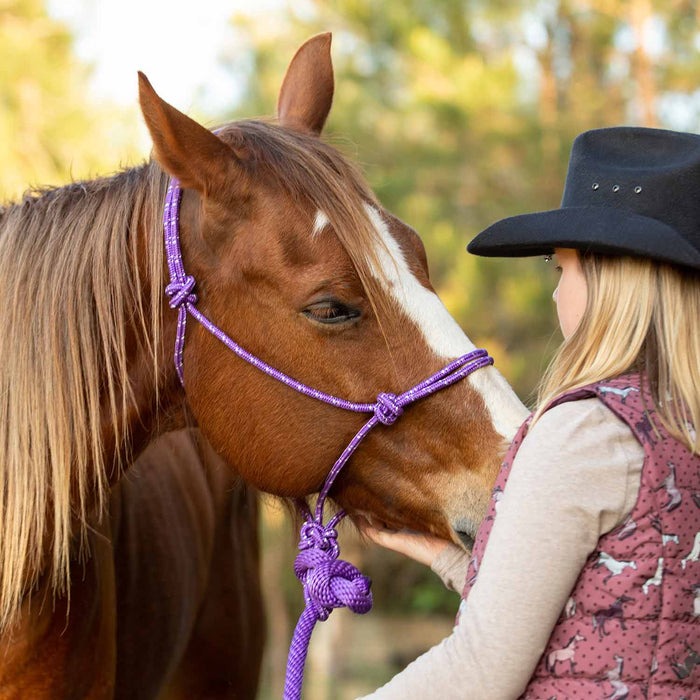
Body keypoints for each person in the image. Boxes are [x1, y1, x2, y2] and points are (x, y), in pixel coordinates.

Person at [359, 126, 700, 698]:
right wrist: (447, 559)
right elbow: (617, 614)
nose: (554, 292)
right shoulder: (678, 426)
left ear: (607, 276)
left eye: (558, 267)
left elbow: (478, 670)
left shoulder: (587, 430)